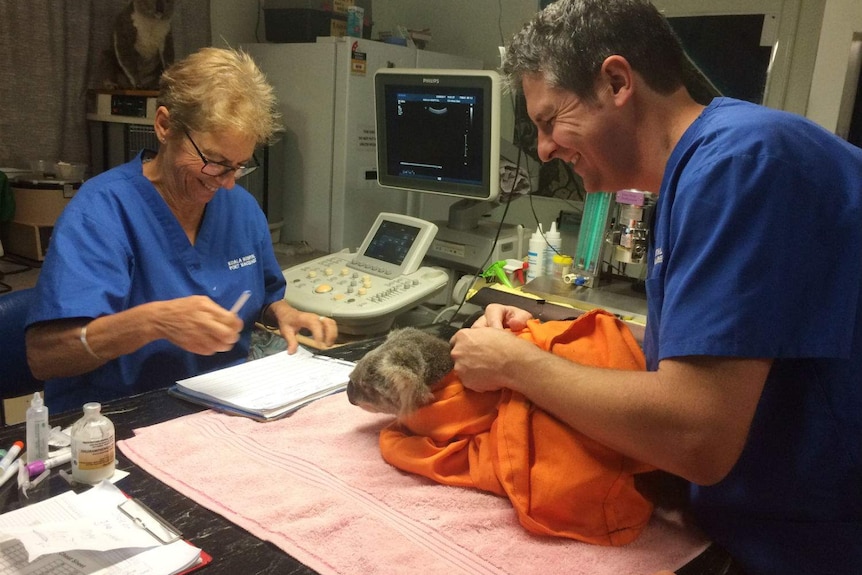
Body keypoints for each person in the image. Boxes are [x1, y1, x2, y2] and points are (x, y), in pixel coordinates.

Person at [449, 1, 862, 574]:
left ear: (617, 82)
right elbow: (720, 349)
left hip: (816, 542)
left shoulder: (740, 164)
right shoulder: (697, 170)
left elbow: (698, 433)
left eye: (549, 121)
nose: (544, 149)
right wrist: (547, 338)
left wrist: (514, 365)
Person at [26, 47, 337, 414]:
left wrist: (281, 313)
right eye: (213, 162)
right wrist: (153, 322)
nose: (226, 184)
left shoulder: (241, 210)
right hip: (117, 420)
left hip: (223, 406)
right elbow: (45, 357)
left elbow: (263, 292)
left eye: (238, 166)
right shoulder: (102, 213)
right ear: (164, 126)